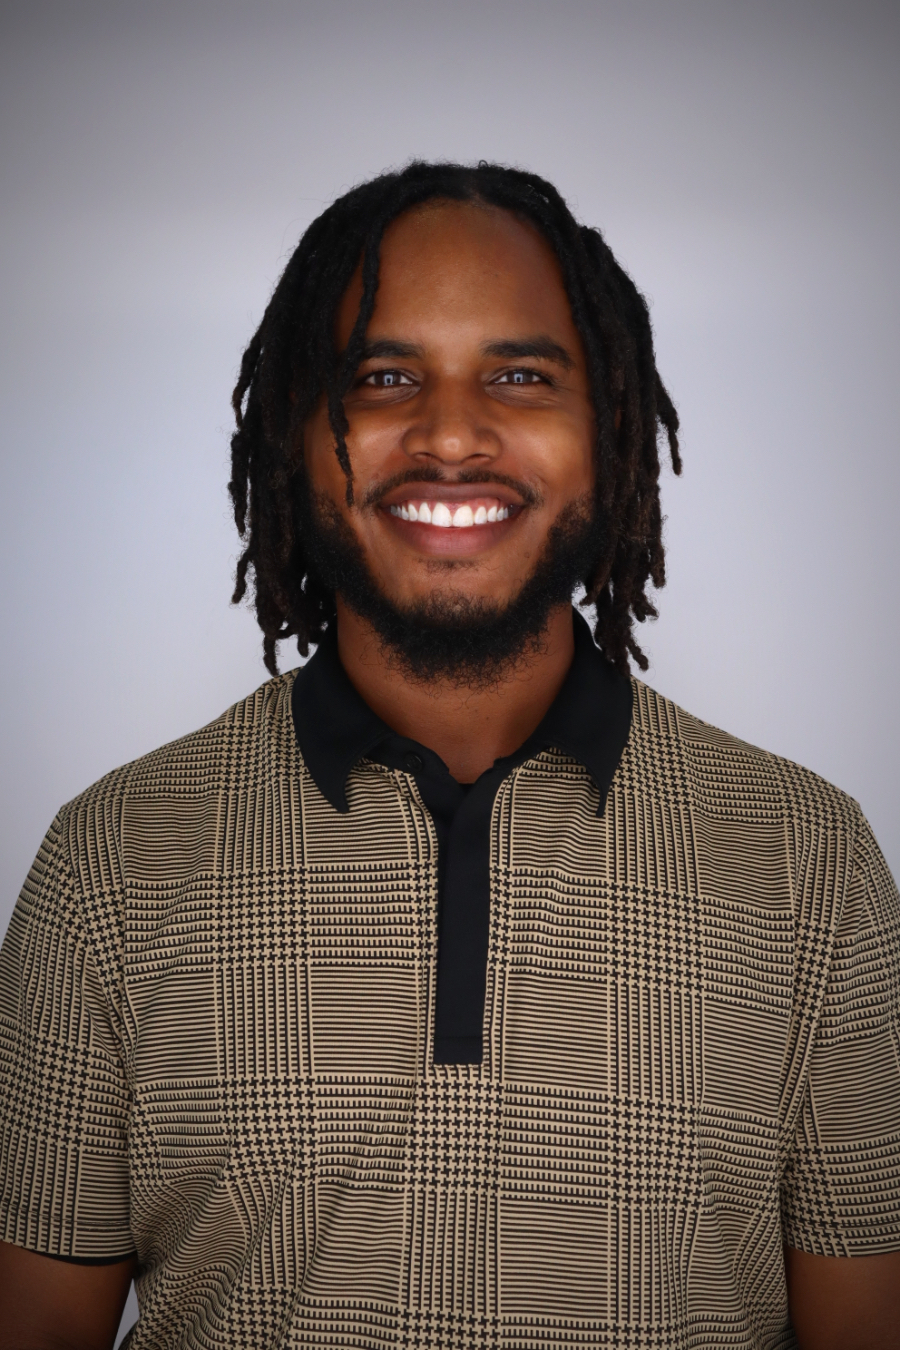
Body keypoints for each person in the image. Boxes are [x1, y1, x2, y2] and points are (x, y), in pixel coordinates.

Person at [0, 161, 897, 1350]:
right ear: (293, 436)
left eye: (521, 376)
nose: (453, 435)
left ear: (610, 430)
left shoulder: (810, 861)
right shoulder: (111, 861)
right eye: (384, 378)